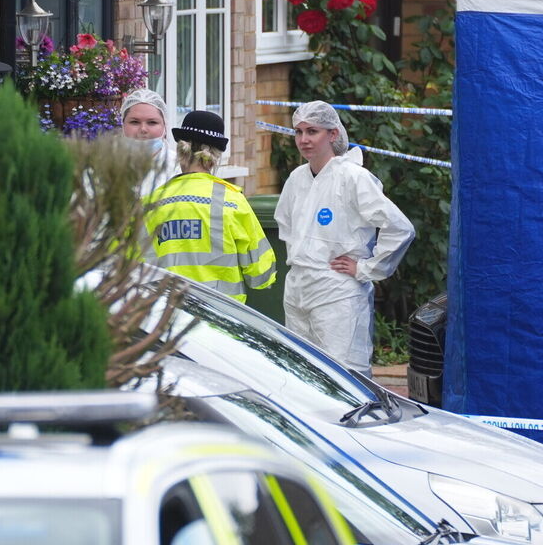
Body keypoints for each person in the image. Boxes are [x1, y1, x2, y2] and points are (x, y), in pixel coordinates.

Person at [274, 100, 415, 379]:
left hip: (338, 293)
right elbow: (287, 226)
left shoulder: (352, 177)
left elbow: (399, 227)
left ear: (333, 134)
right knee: (301, 374)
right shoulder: (296, 179)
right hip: (298, 289)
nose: (304, 140)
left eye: (312, 131)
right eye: (299, 132)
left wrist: (365, 269)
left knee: (345, 376)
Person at [143, 110, 276, 303]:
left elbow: (135, 266)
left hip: (165, 316)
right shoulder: (232, 202)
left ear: (181, 150)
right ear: (215, 156)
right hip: (222, 318)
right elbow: (261, 275)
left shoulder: (150, 203)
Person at [119, 88, 177, 195]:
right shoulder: (103, 166)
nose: (143, 129)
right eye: (134, 122)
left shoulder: (178, 167)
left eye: (152, 122)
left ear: (165, 126)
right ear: (123, 125)